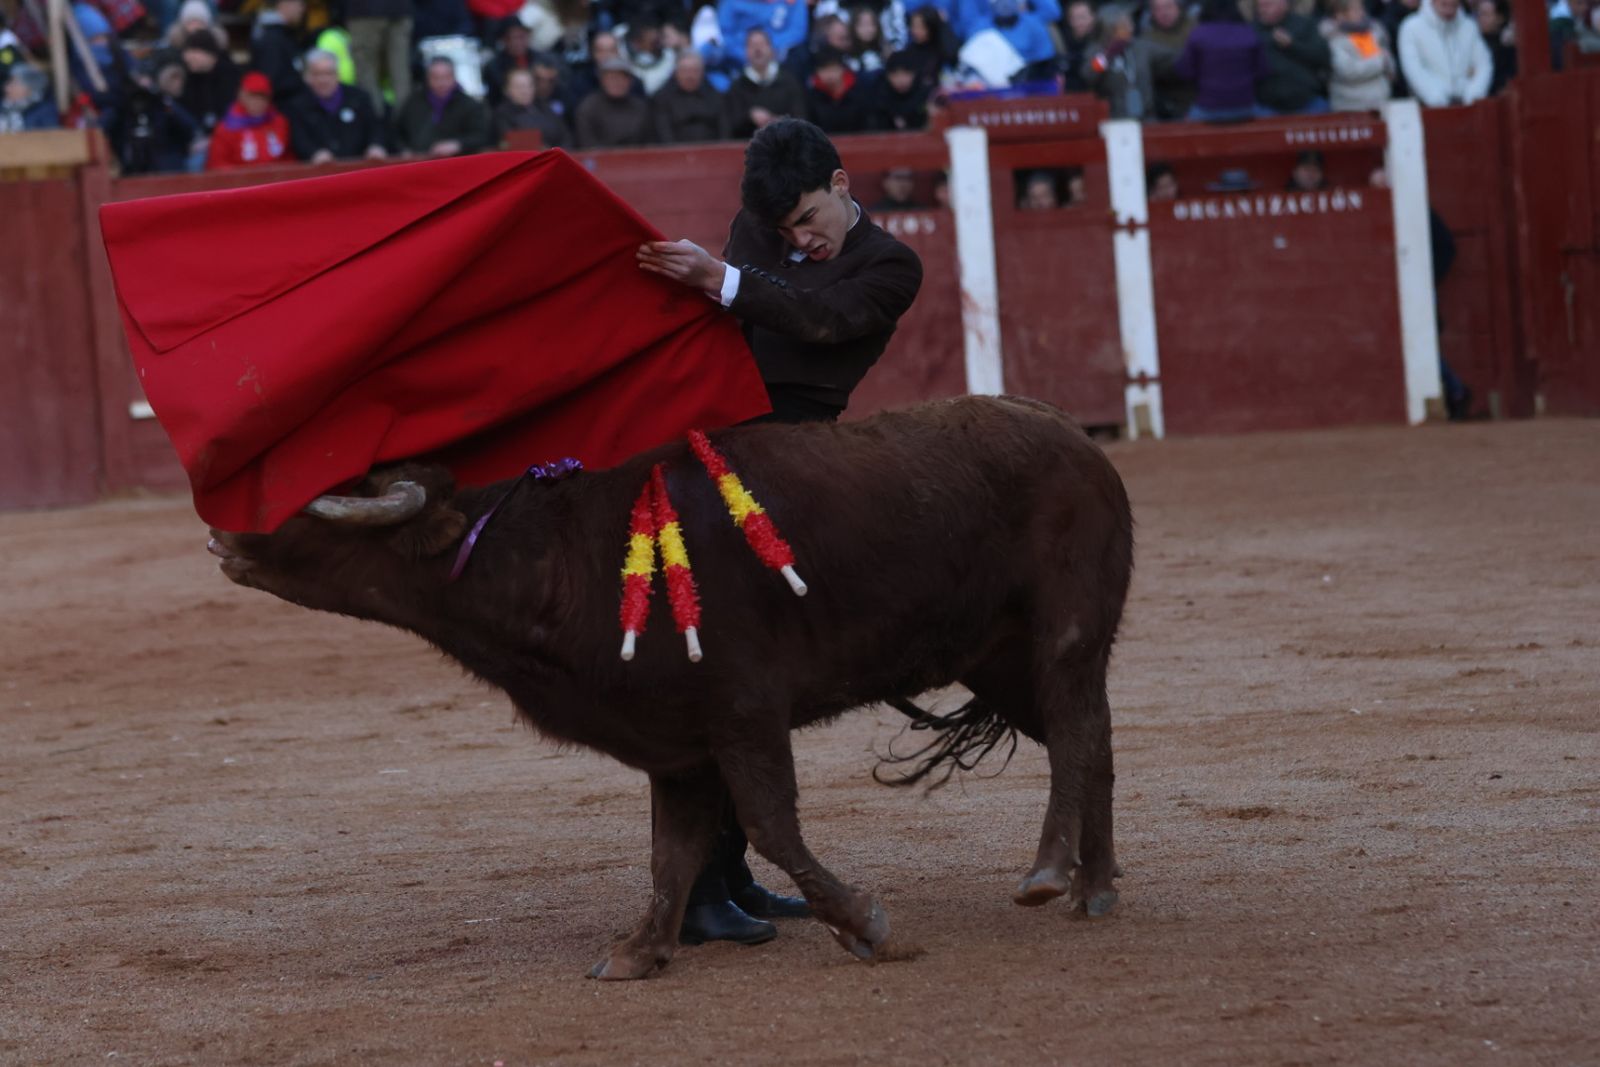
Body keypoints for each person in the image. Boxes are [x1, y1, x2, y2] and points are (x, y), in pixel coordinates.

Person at [635, 119, 923, 944]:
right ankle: (702, 889)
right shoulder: (757, 226)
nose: (799, 238)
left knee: (743, 676)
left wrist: (724, 279)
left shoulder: (892, 266)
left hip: (795, 473)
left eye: (808, 218)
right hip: (715, 466)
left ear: (840, 182)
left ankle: (724, 878)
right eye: (784, 227)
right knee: (726, 676)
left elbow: (820, 322)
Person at [285, 48, 388, 160]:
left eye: (329, 73)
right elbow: (298, 138)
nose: (323, 79)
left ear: (337, 74)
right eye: (317, 74)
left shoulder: (358, 97)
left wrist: (376, 145)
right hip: (322, 171)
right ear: (307, 77)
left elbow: (375, 127)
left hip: (360, 167)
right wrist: (313, 152)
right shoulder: (297, 105)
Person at [1173, 0, 1265, 121]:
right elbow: (1263, 71)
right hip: (1245, 106)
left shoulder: (1198, 34)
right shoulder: (1249, 33)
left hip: (1207, 108)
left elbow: (1185, 71)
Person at [1397, 0, 1492, 106]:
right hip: (1429, 106)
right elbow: (1414, 69)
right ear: (1432, 2)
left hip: (1468, 103)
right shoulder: (1411, 28)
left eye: (1454, 5)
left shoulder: (1469, 27)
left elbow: (1483, 64)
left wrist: (1475, 94)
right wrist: (1435, 97)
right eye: (1444, 4)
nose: (1449, 11)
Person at [394, 55, 491, 156]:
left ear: (454, 77)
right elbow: (397, 133)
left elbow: (481, 136)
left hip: (455, 162)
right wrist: (404, 149)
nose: (441, 82)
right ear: (427, 78)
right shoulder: (413, 103)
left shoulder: (470, 105)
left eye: (446, 77)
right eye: (435, 77)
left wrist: (458, 144)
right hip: (417, 162)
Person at [726, 27, 807, 138]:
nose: (757, 49)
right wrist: (750, 116)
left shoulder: (789, 81)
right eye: (752, 45)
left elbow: (801, 118)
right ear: (746, 51)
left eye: (762, 44)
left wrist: (779, 121)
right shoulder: (737, 86)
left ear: (772, 49)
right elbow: (730, 124)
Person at [1253, 0, 1331, 115]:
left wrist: (1292, 45)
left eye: (1267, 5)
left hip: (1307, 102)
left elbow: (1323, 57)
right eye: (1260, 6)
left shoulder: (1305, 25)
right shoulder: (1251, 31)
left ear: (1284, 5)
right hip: (1266, 105)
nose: (1262, 10)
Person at [205, 70, 294, 167]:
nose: (258, 101)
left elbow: (289, 157)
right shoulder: (226, 127)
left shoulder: (279, 122)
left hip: (277, 179)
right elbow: (217, 165)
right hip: (241, 181)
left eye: (263, 97)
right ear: (241, 95)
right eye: (252, 96)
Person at [1324, 0, 1395, 111]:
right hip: (1351, 106)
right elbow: (1348, 71)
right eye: (1355, 10)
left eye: (1361, 9)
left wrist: (1389, 66)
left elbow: (1387, 57)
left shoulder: (1374, 31)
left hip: (1381, 101)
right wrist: (1380, 61)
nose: (1361, 13)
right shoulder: (1333, 37)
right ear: (1340, 15)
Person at [347, 0, 413, 112]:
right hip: (400, 9)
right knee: (399, 70)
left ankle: (374, 121)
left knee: (366, 71)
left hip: (364, 11)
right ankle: (405, 121)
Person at [652, 50, 729, 142]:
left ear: (702, 72)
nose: (690, 76)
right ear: (676, 72)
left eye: (695, 71)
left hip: (712, 153)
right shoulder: (661, 99)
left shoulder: (716, 97)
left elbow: (725, 133)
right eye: (685, 71)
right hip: (674, 153)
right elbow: (663, 135)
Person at [177, 29, 239, 142]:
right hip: (198, 136)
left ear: (208, 53)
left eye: (193, 51)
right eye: (187, 51)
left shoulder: (229, 75)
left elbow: (228, 116)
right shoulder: (192, 75)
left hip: (225, 138)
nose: (187, 57)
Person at [576, 56, 653, 145]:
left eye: (621, 78)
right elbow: (587, 144)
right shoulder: (588, 108)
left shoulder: (641, 108)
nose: (616, 82)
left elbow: (650, 143)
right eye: (611, 78)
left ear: (630, 81)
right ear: (602, 81)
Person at [1141, 0, 1197, 121]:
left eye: (1168, 7)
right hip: (1168, 105)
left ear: (1179, 7)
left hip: (1199, 100)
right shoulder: (1147, 39)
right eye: (1157, 9)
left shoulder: (1196, 29)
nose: (1164, 13)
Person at [251, 0, 310, 108]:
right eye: (300, 4)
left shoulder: (283, 33)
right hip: (282, 108)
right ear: (284, 4)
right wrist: (303, 81)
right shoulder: (272, 37)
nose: (302, 9)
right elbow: (271, 80)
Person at [493, 65, 573, 144]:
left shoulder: (545, 107)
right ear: (507, 90)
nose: (525, 91)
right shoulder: (502, 115)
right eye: (519, 87)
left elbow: (565, 135)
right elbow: (514, 142)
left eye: (529, 86)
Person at [805, 46, 870, 132]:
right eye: (824, 70)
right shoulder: (812, 96)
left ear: (842, 69)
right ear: (817, 72)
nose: (830, 75)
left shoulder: (859, 90)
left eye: (833, 70)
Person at [868, 49, 930, 129]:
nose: (901, 80)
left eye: (906, 73)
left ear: (915, 73)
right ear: (887, 76)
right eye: (895, 75)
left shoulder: (927, 96)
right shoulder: (878, 98)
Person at [1, 62, 60, 131]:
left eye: (15, 84)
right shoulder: (2, 106)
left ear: (29, 89)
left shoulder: (44, 111)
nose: (7, 88)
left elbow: (51, 137)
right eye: (10, 83)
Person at [1475, 0, 1516, 94]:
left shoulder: (1508, 46)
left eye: (1485, 14)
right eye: (1479, 14)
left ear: (1499, 18)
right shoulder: (1473, 42)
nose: (1480, 18)